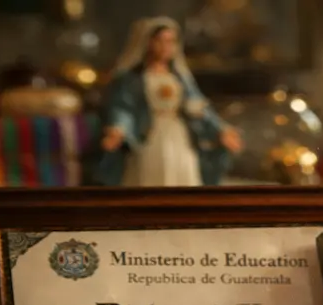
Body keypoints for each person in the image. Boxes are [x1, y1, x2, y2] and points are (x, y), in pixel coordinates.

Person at [90, 16, 242, 187]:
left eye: (171, 41)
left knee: (182, 172)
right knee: (150, 173)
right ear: (148, 43)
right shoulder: (134, 79)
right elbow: (124, 107)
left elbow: (198, 107)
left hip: (179, 136)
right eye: (160, 41)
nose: (166, 47)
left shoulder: (179, 78)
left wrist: (220, 129)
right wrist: (118, 129)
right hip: (148, 135)